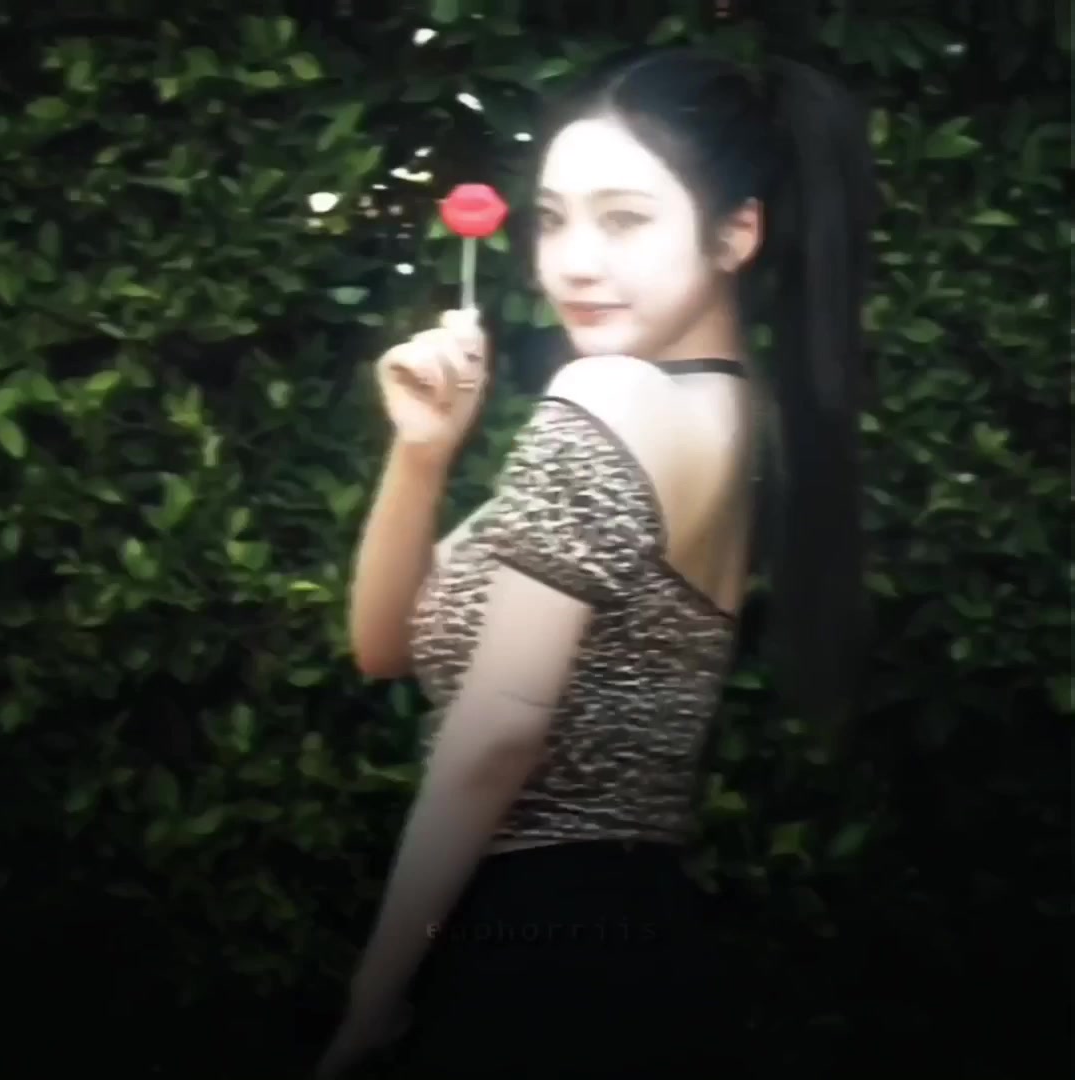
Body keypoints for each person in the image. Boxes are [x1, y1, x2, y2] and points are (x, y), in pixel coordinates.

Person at [317, 45, 877, 1080]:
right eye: (553, 219)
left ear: (735, 232)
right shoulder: (734, 415)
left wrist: (372, 996)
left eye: (624, 219)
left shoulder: (614, 401)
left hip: (539, 962)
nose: (573, 261)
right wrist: (422, 454)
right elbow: (386, 647)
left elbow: (494, 734)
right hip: (625, 941)